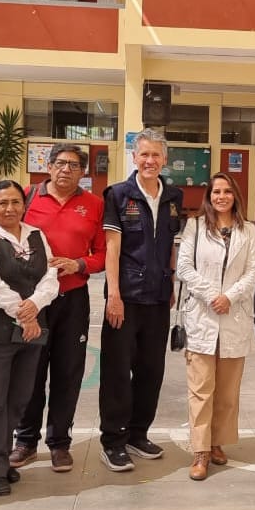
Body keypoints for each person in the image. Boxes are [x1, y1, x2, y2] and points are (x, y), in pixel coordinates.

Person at [11, 143, 105, 474]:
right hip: (34, 301)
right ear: (48, 166)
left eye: (74, 165)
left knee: (68, 372)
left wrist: (78, 264)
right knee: (30, 370)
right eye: (60, 163)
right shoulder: (27, 197)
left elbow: (102, 254)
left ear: (83, 172)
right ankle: (25, 440)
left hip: (73, 300)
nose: (66, 169)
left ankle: (60, 443)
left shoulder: (94, 204)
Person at [98, 129, 184, 472]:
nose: (150, 161)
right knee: (117, 372)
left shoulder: (174, 197)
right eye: (144, 154)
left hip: (158, 297)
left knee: (151, 371)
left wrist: (172, 283)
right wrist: (114, 295)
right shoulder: (118, 194)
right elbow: (112, 248)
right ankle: (113, 440)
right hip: (126, 298)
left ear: (164, 159)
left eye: (156, 155)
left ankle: (138, 434)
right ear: (134, 158)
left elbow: (172, 245)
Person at [0, 181, 59, 496]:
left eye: (16, 202)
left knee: (18, 399)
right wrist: (25, 313)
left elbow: (50, 276)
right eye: (2, 203)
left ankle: (1, 458)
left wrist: (35, 305)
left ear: (24, 205)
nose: (10, 209)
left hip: (31, 332)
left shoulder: (36, 235)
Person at [177, 173, 255, 480]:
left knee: (227, 391)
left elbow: (252, 272)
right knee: (201, 389)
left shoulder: (248, 230)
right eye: (216, 192)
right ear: (209, 196)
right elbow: (184, 267)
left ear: (235, 195)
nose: (221, 196)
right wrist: (213, 295)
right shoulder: (195, 227)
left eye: (227, 191)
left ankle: (217, 443)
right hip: (203, 315)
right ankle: (200, 450)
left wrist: (230, 297)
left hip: (234, 317)